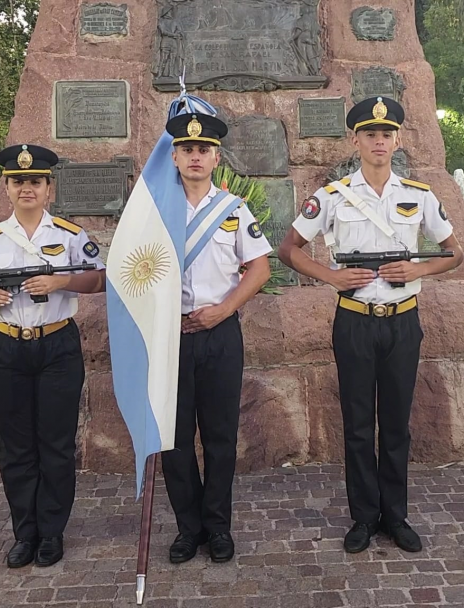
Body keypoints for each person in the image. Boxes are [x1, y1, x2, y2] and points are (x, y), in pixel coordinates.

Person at [278, 97, 464, 554]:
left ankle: (395, 516)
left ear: (397, 140)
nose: (379, 141)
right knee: (359, 425)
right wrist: (332, 277)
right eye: (370, 134)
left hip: (402, 321)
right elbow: (290, 248)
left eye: (386, 134)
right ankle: (363, 517)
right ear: (356, 140)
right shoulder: (332, 195)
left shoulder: (418, 195)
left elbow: (455, 252)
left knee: (397, 424)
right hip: (355, 320)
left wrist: (416, 271)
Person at [0, 144, 107, 568]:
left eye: (35, 181)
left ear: (48, 188)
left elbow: (98, 280)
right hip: (6, 344)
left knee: (55, 443)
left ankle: (52, 533)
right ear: (6, 187)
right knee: (15, 445)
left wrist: (59, 285)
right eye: (18, 181)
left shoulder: (70, 236)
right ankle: (25, 532)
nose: (26, 188)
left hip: (57, 345)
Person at [161, 108, 272, 565]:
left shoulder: (233, 210)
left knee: (222, 436)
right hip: (170, 337)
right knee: (175, 438)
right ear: (174, 156)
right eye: (187, 149)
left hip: (221, 335)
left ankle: (218, 526)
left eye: (203, 150)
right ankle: (189, 528)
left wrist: (225, 309)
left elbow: (260, 269)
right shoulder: (153, 210)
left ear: (216, 157)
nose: (195, 157)